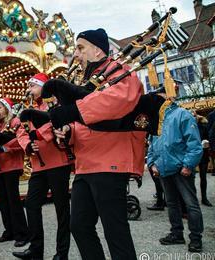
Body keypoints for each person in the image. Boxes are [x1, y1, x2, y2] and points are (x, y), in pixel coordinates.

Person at [51, 28, 146, 260]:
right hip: (86, 164)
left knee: (115, 231)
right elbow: (83, 124)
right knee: (79, 225)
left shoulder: (120, 72)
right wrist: (67, 132)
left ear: (97, 49)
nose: (76, 54)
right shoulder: (88, 80)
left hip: (111, 161)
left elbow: (117, 101)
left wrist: (72, 111)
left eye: (80, 48)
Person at [14, 73, 72, 260]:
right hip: (39, 166)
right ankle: (36, 249)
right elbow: (21, 132)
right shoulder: (30, 109)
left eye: (32, 86)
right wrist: (27, 145)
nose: (29, 89)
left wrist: (37, 135)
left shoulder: (57, 104)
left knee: (61, 210)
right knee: (31, 204)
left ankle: (61, 253)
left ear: (44, 86)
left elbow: (56, 122)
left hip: (57, 162)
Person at [147, 87, 204, 253]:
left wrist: (188, 165)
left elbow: (194, 144)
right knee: (172, 204)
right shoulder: (155, 120)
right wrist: (152, 164)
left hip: (181, 169)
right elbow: (151, 146)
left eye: (157, 97)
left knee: (191, 204)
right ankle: (177, 234)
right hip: (164, 170)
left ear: (166, 97)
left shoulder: (182, 114)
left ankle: (196, 238)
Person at [0, 98, 29, 247]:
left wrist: (4, 148)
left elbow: (21, 142)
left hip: (11, 165)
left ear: (7, 108)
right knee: (3, 201)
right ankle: (9, 230)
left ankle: (22, 233)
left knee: (13, 200)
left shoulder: (15, 122)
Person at [192, 110, 212, 206]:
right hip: (191, 156)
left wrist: (206, 142)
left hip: (203, 155)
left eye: (194, 116)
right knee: (191, 178)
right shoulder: (187, 128)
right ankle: (193, 198)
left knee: (203, 177)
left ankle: (204, 198)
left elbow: (208, 138)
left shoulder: (203, 127)